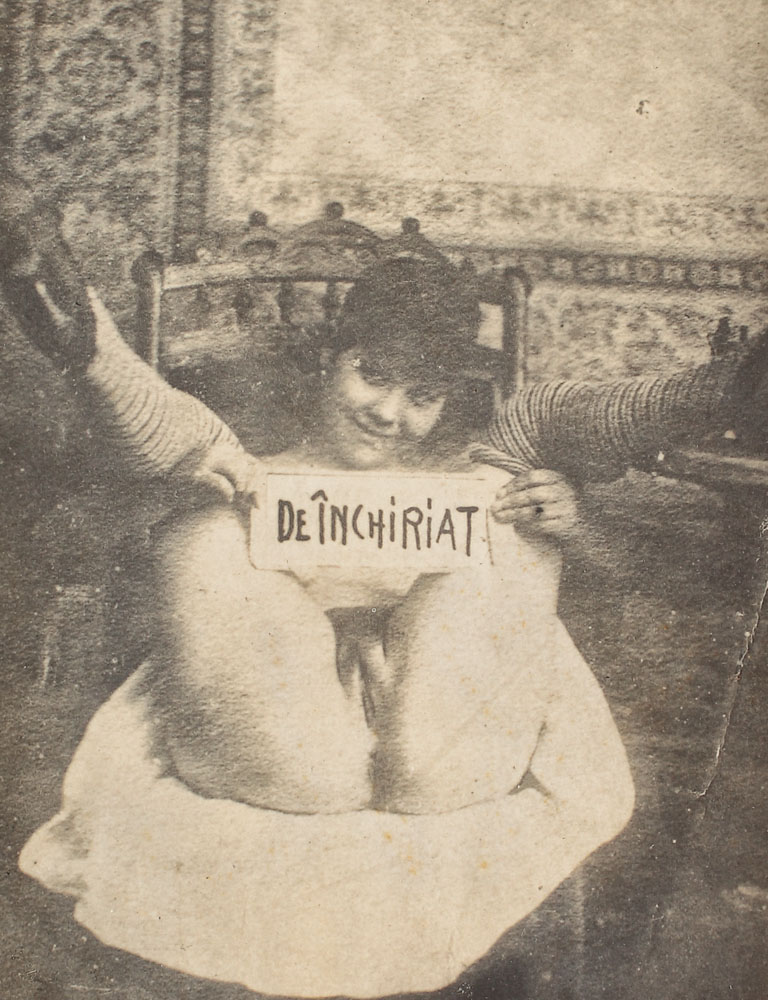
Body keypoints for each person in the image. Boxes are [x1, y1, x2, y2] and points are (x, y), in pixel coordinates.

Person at [3, 175, 758, 998]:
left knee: (510, 500)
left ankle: (725, 388)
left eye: (423, 395)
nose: (391, 414)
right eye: (373, 375)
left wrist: (570, 523)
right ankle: (70, 322)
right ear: (329, 358)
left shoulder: (479, 458)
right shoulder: (245, 453)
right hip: (275, 724)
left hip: (440, 733)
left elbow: (631, 571)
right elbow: (130, 491)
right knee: (207, 501)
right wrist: (209, 501)